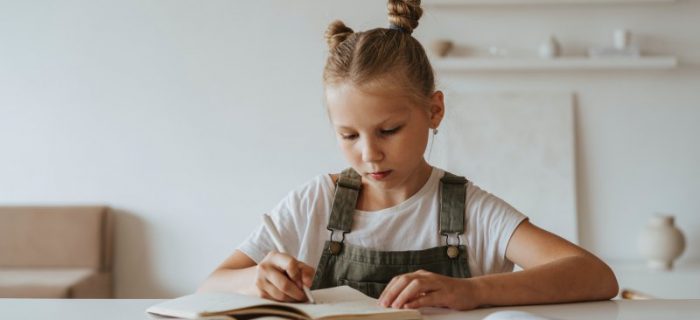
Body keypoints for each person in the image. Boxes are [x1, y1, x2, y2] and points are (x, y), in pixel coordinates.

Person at [198, 0, 618, 310]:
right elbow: (210, 286)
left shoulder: (468, 209)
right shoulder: (315, 204)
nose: (369, 154)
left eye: (389, 130)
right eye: (348, 135)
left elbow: (595, 275)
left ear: (434, 110)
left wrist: (471, 290)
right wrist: (258, 279)